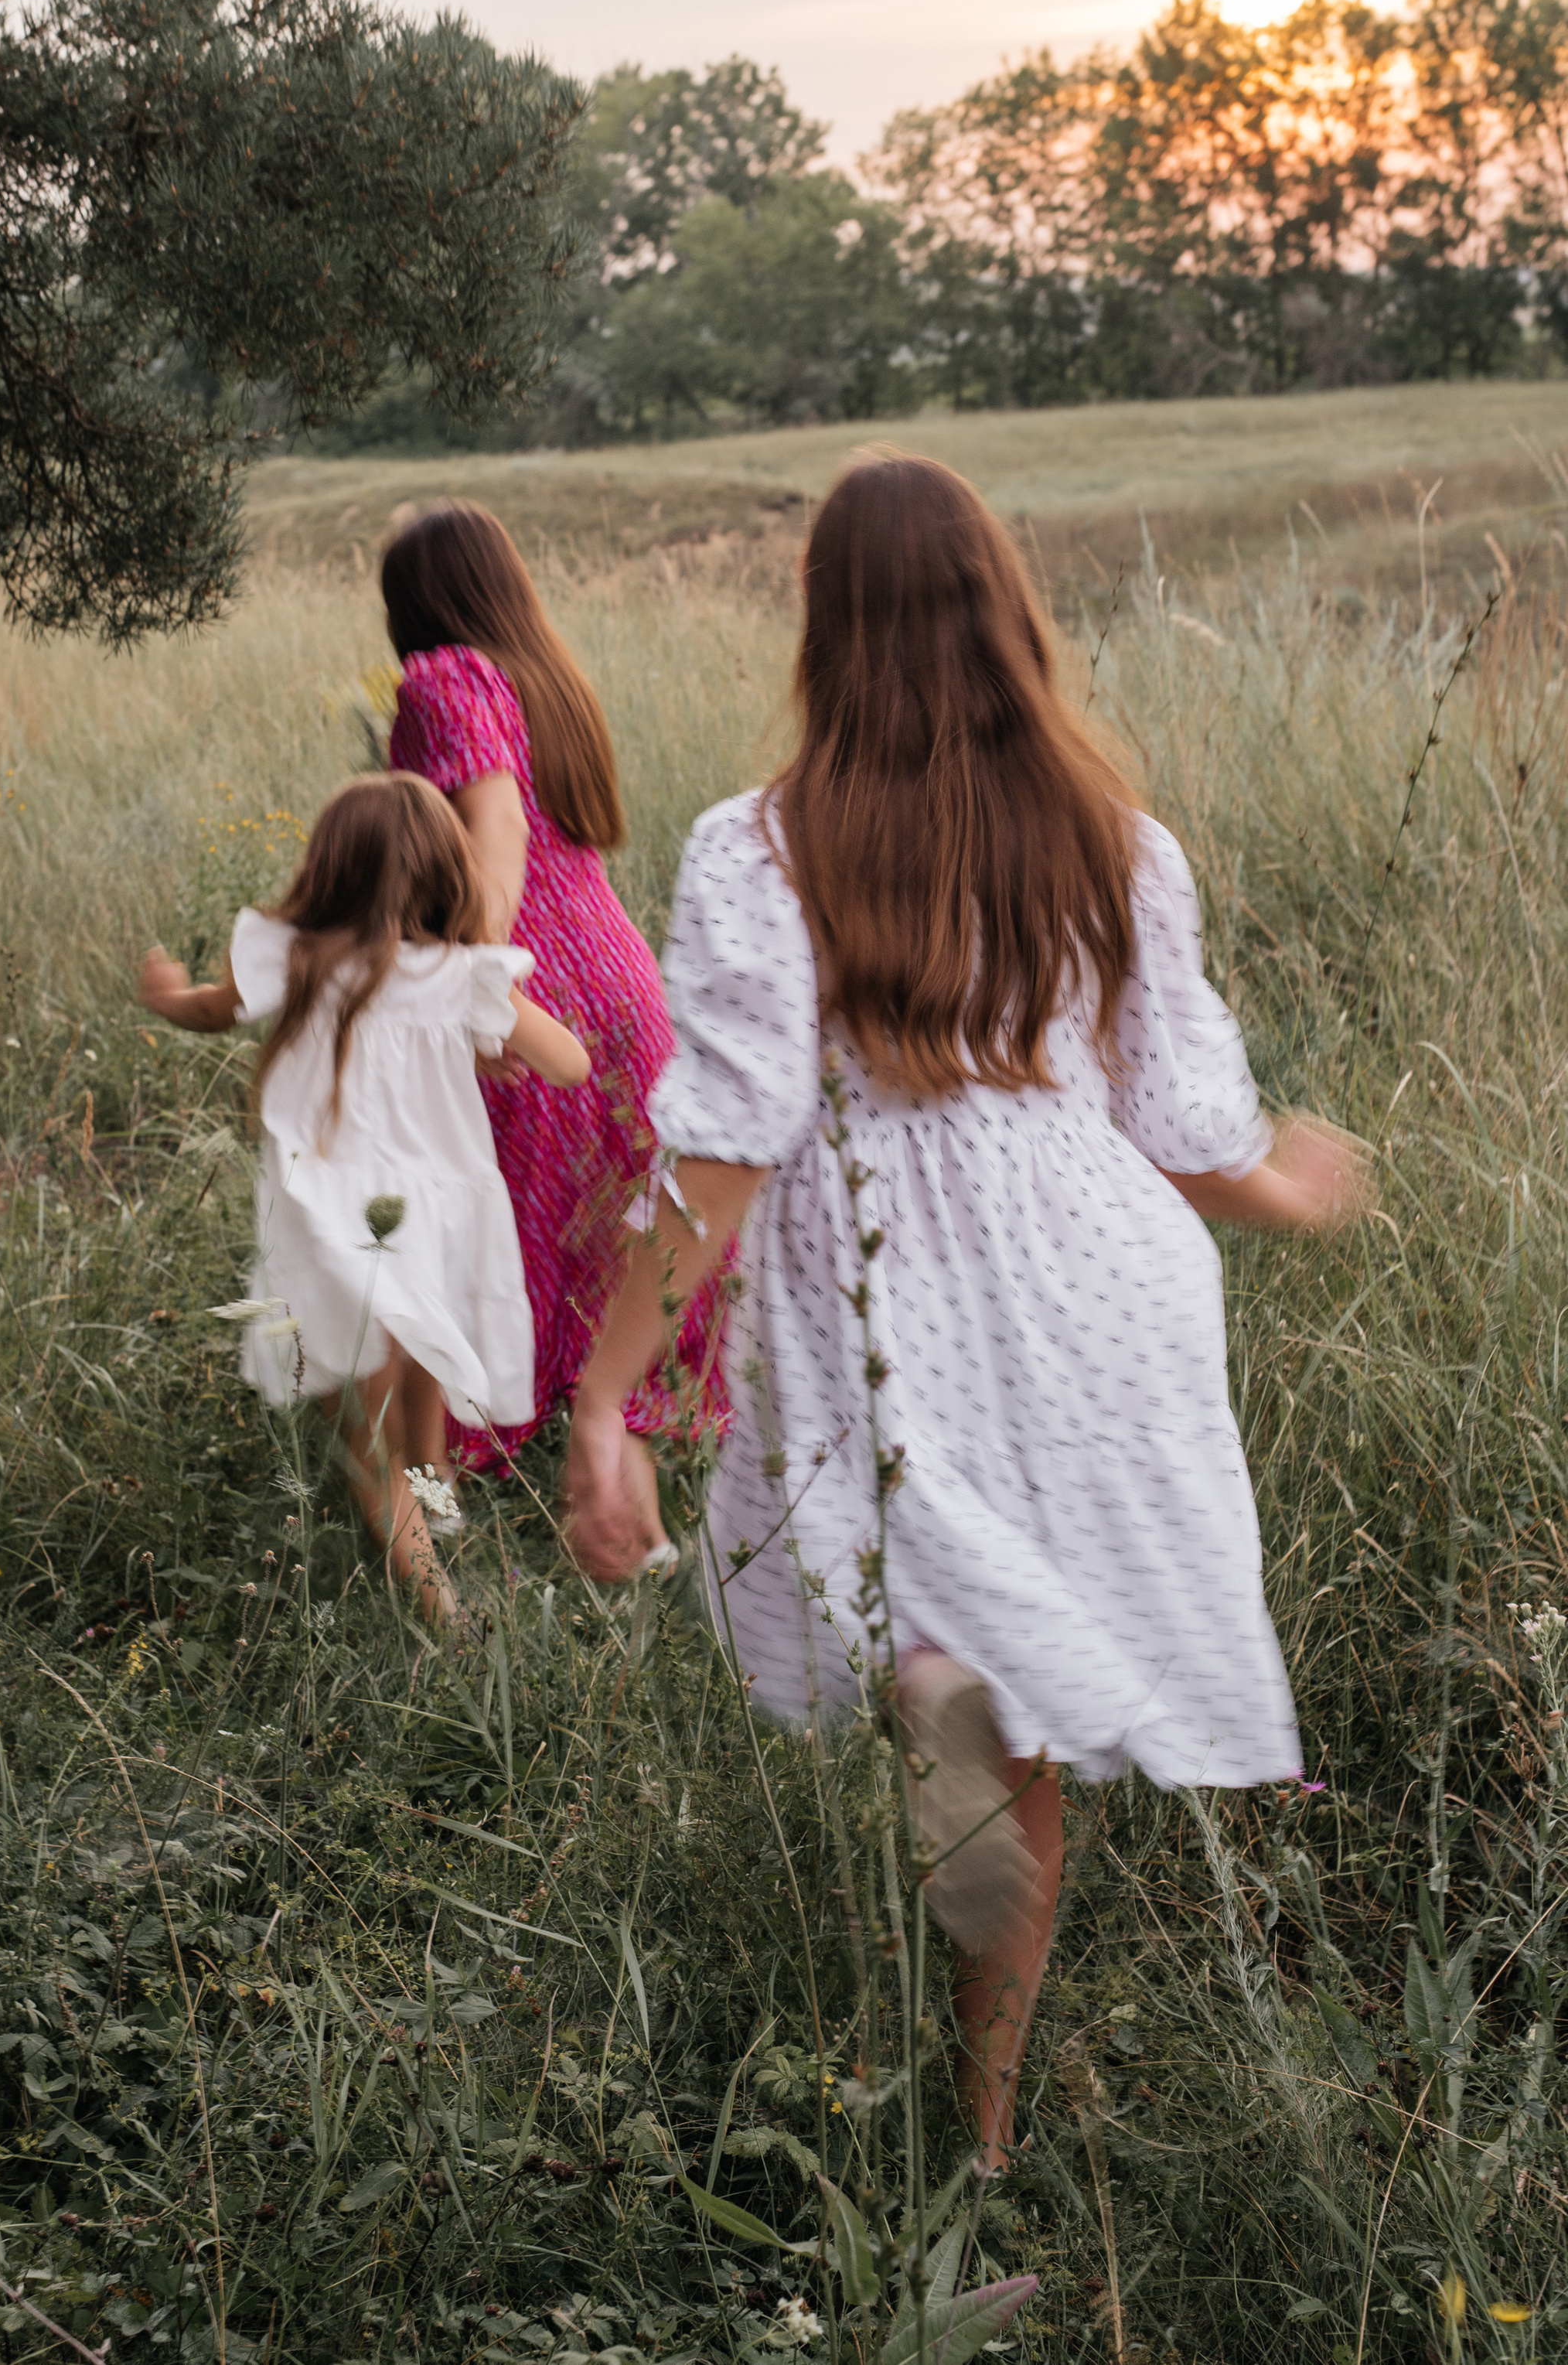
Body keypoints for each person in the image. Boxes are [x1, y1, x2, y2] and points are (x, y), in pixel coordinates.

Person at [559, 452, 1368, 2174]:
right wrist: (1283, 1186)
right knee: (1016, 1727)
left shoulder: (758, 847)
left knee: (931, 1623)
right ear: (1006, 610)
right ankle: (987, 2135)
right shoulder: (1112, 841)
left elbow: (721, 1145)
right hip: (1095, 1276)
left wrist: (605, 1395)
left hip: (883, 1270)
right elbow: (1182, 1127)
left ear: (822, 625)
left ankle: (938, 1681)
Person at [140, 773, 590, 1616]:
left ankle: (441, 1615)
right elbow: (570, 1062)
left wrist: (167, 995)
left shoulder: (298, 959)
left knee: (369, 1447)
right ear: (446, 874)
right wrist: (492, 1042)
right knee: (424, 1410)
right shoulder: (460, 976)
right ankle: (442, 1527)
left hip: (338, 1221)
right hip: (443, 1215)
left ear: (329, 871)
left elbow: (210, 1009)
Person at [383, 503, 726, 1536]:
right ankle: (628, 1419)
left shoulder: (443, 676)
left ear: (416, 602)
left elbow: (493, 831)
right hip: (616, 972)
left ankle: (463, 1465)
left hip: (534, 984)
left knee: (494, 1222)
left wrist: (474, 981)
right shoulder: (546, 677)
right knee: (611, 1212)